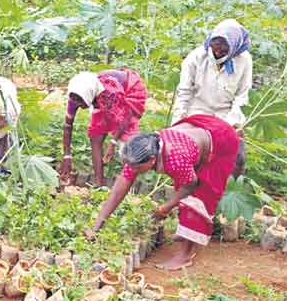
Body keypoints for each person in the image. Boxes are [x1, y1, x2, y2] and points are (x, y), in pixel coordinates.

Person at [86, 114, 239, 270]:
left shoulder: (175, 158)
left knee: (197, 199)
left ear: (152, 159)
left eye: (137, 168)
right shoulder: (139, 152)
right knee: (182, 185)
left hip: (221, 142)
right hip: (200, 130)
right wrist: (98, 224)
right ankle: (186, 232)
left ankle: (185, 255)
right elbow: (118, 190)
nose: (133, 171)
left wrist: (166, 207)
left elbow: (191, 184)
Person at [173, 19, 251, 176]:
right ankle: (190, 183)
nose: (218, 52)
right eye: (215, 47)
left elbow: (242, 96)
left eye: (224, 50)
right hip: (197, 112)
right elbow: (184, 92)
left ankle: (227, 184)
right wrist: (177, 122)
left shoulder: (244, 60)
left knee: (236, 158)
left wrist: (230, 125)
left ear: (234, 47)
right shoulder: (196, 57)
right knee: (190, 156)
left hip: (226, 115)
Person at [60, 69, 147, 187]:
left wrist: (113, 142)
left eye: (80, 100)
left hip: (130, 89)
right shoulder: (76, 96)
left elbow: (125, 117)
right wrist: (67, 156)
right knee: (95, 137)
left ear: (89, 95)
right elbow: (67, 126)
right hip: (101, 97)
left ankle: (126, 185)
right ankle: (99, 185)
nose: (77, 103)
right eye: (74, 99)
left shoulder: (109, 93)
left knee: (126, 143)